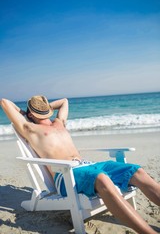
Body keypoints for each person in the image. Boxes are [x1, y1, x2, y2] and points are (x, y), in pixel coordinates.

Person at [0, 95, 160, 234]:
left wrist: (40, 109)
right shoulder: (30, 128)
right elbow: (5, 102)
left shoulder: (59, 122)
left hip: (88, 165)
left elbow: (64, 102)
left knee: (136, 171)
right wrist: (27, 115)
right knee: (103, 179)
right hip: (66, 175)